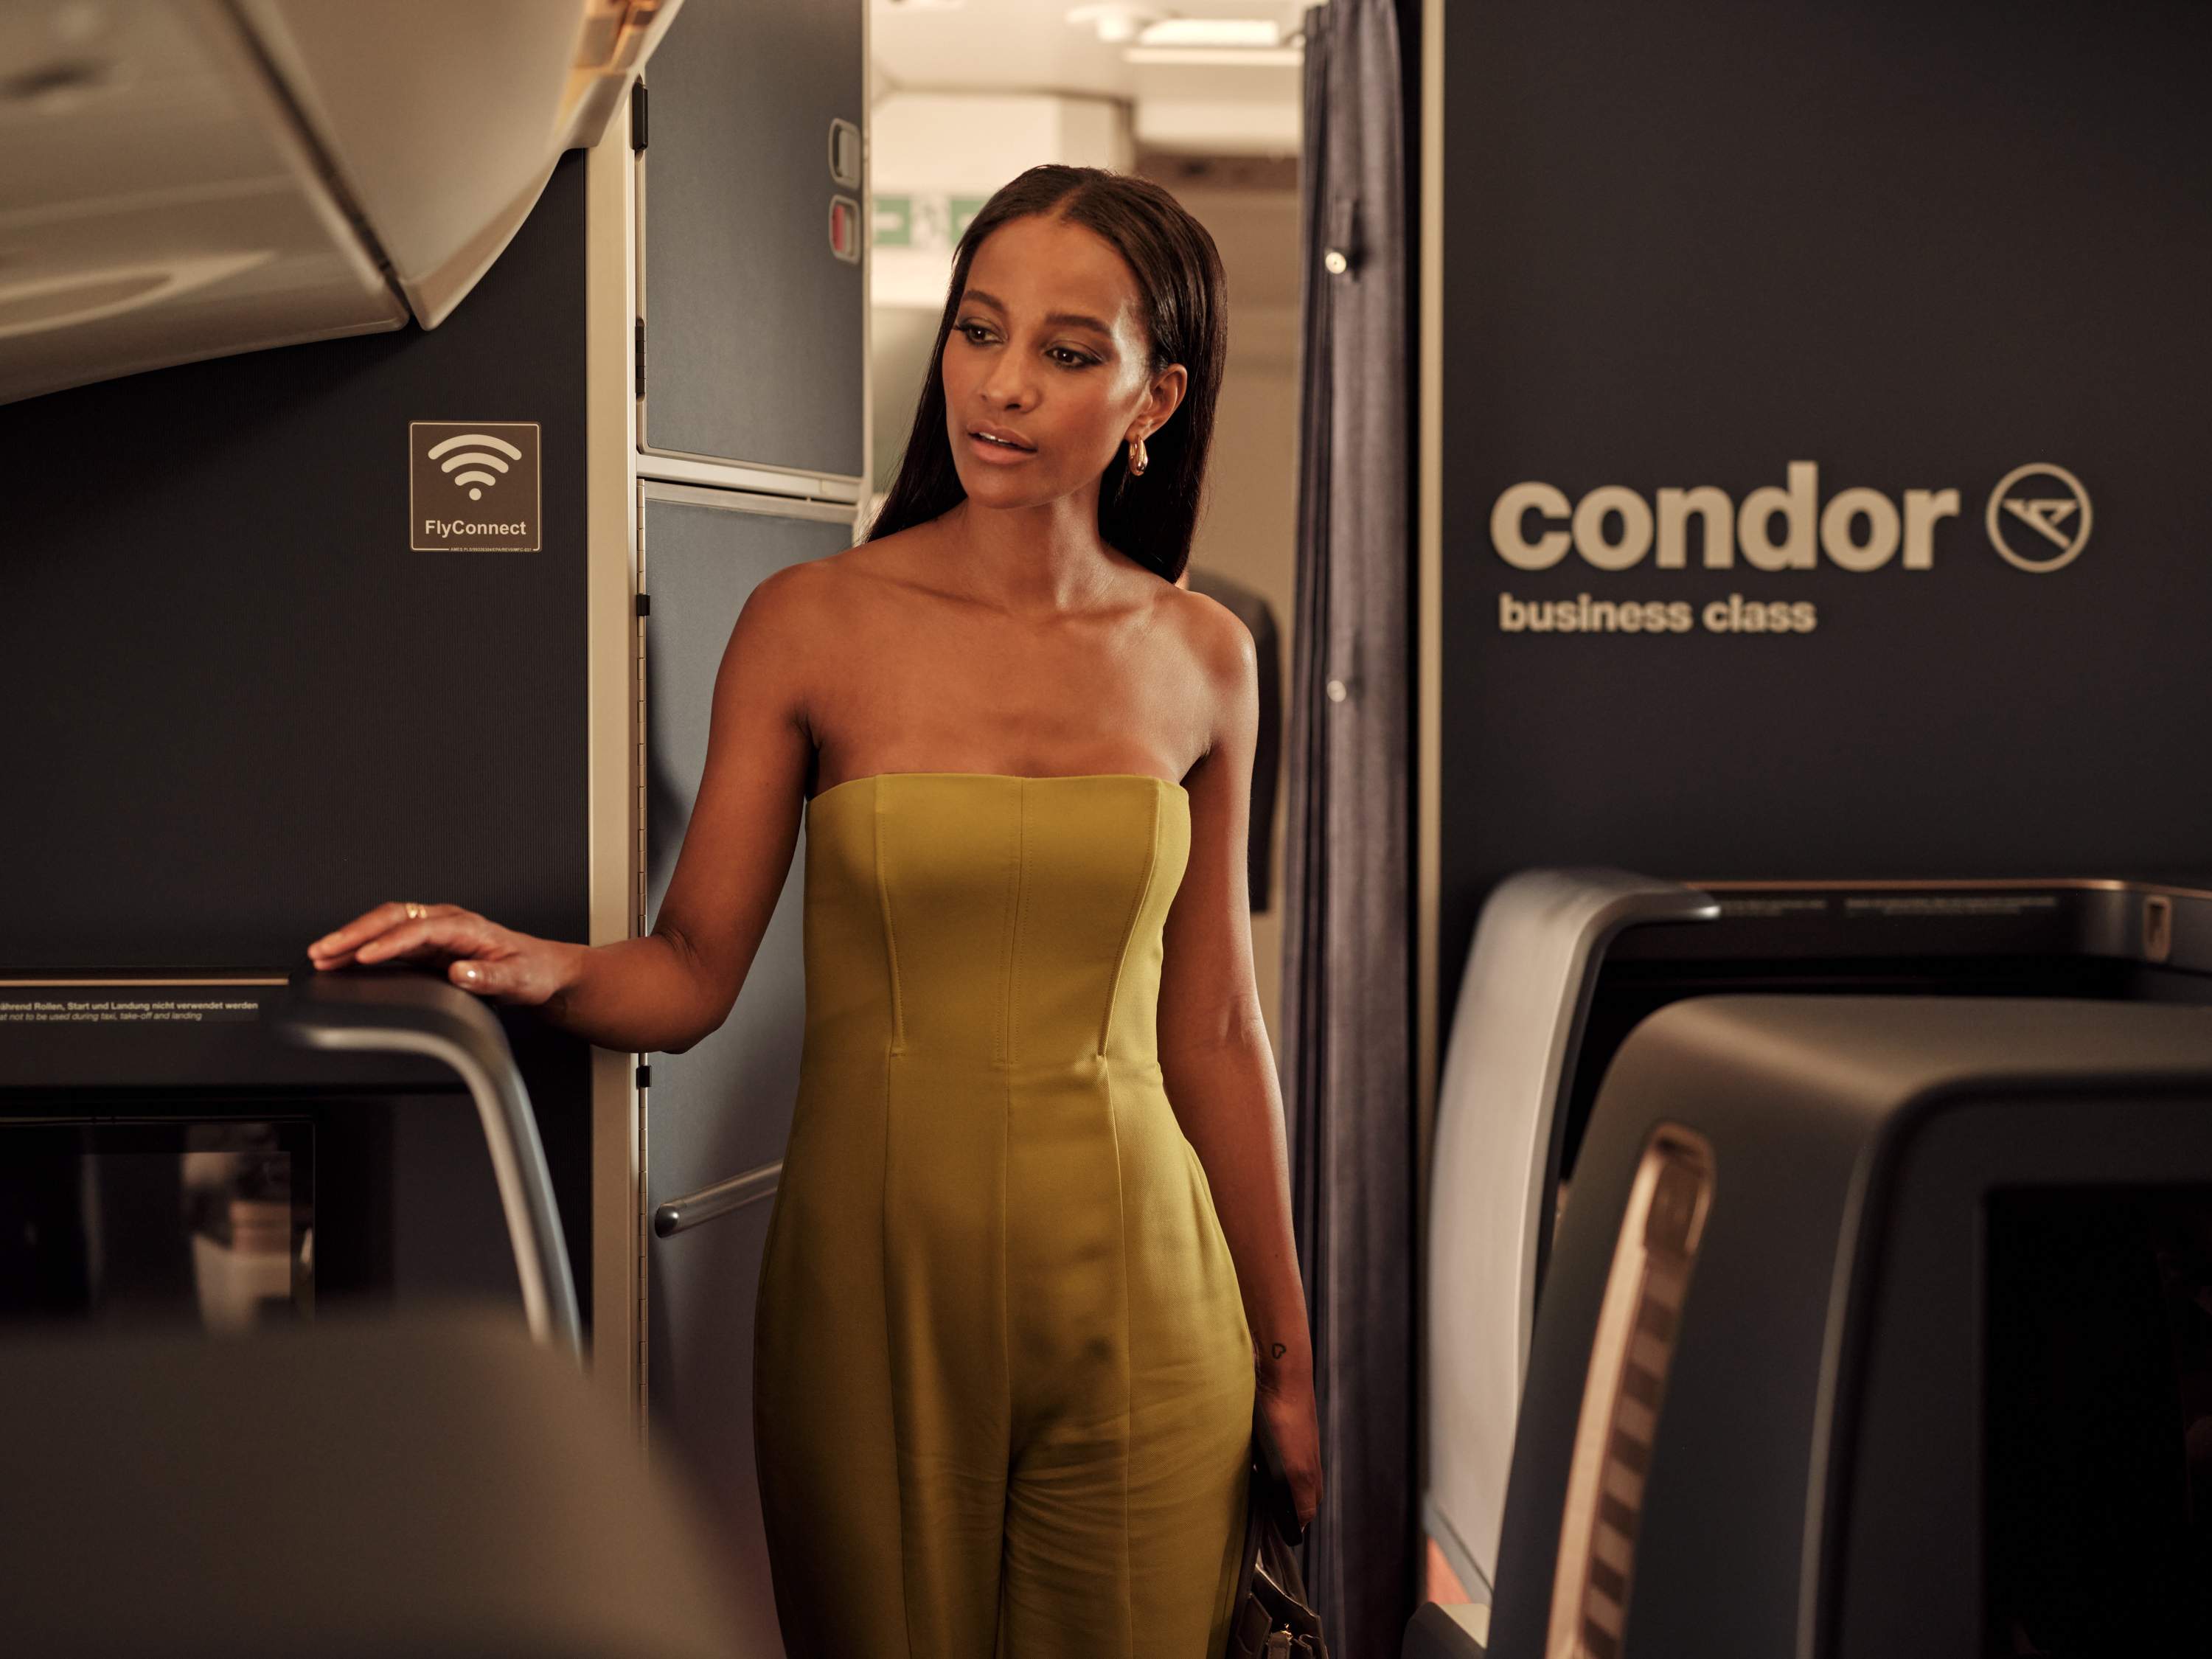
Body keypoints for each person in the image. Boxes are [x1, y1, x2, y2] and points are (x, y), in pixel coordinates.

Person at [306, 162, 1321, 1658]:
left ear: (1154, 400)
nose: (1004, 385)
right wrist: (529, 966)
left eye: (1067, 352)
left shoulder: (1208, 656)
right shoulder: (813, 624)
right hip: (872, 1297)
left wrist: (1291, 1364)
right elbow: (690, 971)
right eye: (981, 331)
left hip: (1156, 1306)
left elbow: (1221, 1032)